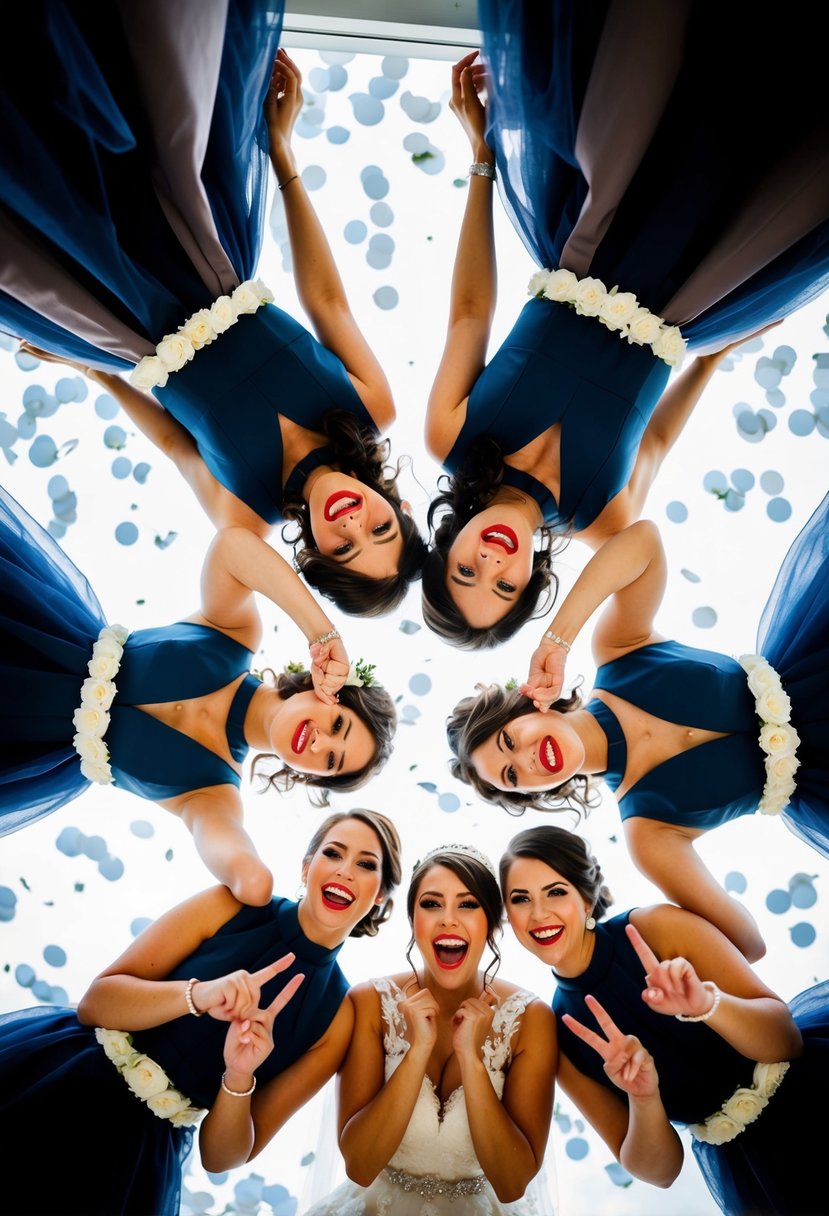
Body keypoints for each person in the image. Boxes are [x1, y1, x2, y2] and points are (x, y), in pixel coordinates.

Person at [423, 0, 829, 646]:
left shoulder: (451, 433)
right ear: (531, 582)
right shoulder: (602, 521)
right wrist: (714, 359)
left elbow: (470, 310)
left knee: (648, 43)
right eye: (503, 586)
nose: (492, 562)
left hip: (597, 228)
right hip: (698, 284)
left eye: (464, 569)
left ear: (447, 543)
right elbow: (657, 442)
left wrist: (481, 157)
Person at [0, 8, 426, 615]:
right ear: (400, 509)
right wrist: (281, 152)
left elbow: (176, 445)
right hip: (200, 245)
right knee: (128, 92)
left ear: (313, 554)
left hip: (120, 314)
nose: (354, 524)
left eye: (343, 548)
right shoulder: (370, 407)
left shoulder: (242, 509)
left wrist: (92, 368)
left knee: (38, 188)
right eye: (381, 530)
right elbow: (328, 299)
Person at [448, 497, 829, 961]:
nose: (524, 759)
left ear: (531, 706)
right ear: (534, 794)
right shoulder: (649, 836)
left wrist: (557, 639)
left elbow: (644, 541)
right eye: (512, 777)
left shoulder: (618, 648)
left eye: (509, 740)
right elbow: (748, 943)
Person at [0, 481, 396, 905]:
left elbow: (248, 877)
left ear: (312, 777)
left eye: (331, 762)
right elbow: (232, 547)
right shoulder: (235, 634)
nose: (320, 742)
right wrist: (321, 633)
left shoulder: (214, 794)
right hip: (28, 631)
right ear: (327, 688)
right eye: (338, 724)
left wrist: (264, 883)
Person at [0, 809, 403, 1216]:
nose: (346, 871)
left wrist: (239, 1074)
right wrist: (199, 995)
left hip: (133, 1163)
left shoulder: (337, 1018)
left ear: (380, 897)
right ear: (306, 867)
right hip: (61, 1081)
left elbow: (221, 1157)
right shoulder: (228, 905)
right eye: (333, 853)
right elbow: (95, 1004)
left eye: (366, 864)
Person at [499, 825, 829, 1215]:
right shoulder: (560, 1032)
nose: (539, 914)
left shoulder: (656, 927)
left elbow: (785, 1040)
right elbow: (660, 1171)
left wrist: (707, 1004)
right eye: (520, 899)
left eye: (555, 891)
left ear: (586, 900)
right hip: (759, 1171)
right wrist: (643, 1096)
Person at [303, 842, 557, 1215]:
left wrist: (471, 1060)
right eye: (431, 904)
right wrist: (418, 1051)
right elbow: (359, 1166)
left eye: (468, 905)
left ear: (491, 921)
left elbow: (512, 1182)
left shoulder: (531, 1018)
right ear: (412, 922)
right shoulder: (370, 1003)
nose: (448, 920)